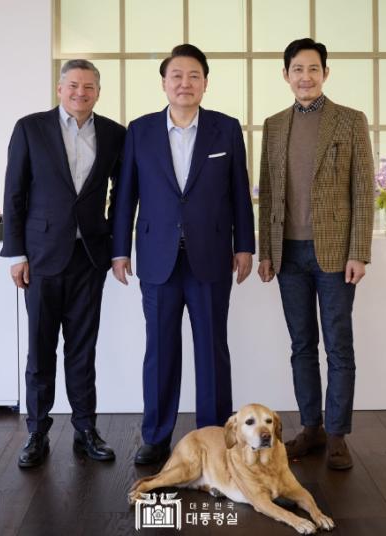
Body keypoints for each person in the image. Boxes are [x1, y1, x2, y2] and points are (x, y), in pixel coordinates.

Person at [112, 44, 255, 465]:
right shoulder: (139, 131)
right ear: (164, 83)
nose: (185, 83)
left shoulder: (226, 129)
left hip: (210, 256)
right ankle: (156, 437)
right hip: (157, 259)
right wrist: (119, 250)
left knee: (212, 350)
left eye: (194, 76)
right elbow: (125, 196)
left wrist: (244, 245)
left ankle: (214, 437)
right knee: (160, 351)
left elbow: (239, 193)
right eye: (176, 75)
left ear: (205, 83)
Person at [1, 59, 126, 467]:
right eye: (73, 85)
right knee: (40, 350)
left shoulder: (114, 134)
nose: (80, 93)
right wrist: (16, 253)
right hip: (40, 258)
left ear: (98, 93)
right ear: (59, 89)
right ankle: (37, 432)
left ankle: (85, 429)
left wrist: (115, 245)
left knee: (82, 350)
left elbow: (122, 195)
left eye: (88, 87)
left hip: (89, 258)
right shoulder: (30, 128)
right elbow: (14, 193)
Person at [257, 38, 374, 470]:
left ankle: (337, 434)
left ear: (325, 73)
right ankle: (311, 428)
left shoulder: (350, 121)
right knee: (302, 345)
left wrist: (359, 252)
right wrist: (266, 252)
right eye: (297, 69)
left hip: (335, 254)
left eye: (313, 69)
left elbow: (364, 191)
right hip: (288, 254)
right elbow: (268, 194)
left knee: (338, 346)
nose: (305, 77)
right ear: (285, 75)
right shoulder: (274, 125)